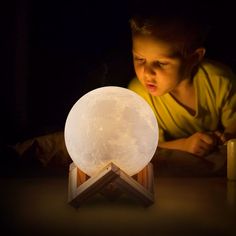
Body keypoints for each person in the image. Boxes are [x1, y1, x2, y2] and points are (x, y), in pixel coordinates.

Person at [128, 6, 236, 157]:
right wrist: (185, 145)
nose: (147, 73)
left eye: (161, 63)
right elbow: (147, 147)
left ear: (194, 58)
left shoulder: (219, 80)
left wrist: (227, 138)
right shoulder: (138, 95)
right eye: (140, 59)